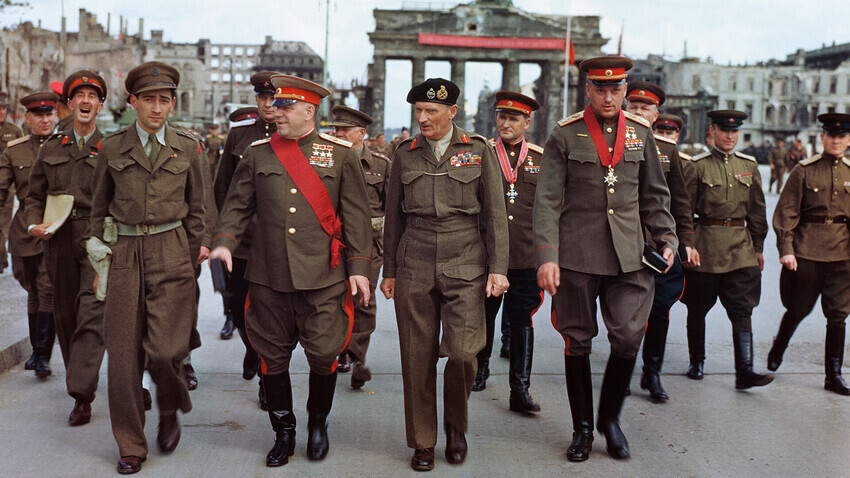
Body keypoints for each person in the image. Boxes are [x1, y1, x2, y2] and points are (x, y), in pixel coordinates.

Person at [210, 74, 372, 468]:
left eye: (285, 107)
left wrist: (359, 268)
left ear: (308, 111)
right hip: (269, 277)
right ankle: (283, 432)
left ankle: (318, 424)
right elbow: (237, 206)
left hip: (323, 277)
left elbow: (356, 217)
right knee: (272, 358)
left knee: (324, 355)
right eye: (275, 105)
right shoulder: (258, 153)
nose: (276, 112)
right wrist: (224, 242)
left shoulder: (340, 154)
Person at [534, 57, 677, 461]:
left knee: (630, 336)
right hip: (577, 256)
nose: (609, 96)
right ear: (589, 91)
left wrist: (666, 237)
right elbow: (546, 202)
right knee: (577, 340)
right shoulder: (565, 135)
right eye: (601, 89)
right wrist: (547, 256)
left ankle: (609, 419)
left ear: (625, 90)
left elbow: (654, 195)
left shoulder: (640, 133)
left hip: (629, 257)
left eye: (616, 89)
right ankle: (582, 429)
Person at [380, 78, 508, 471]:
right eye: (418, 111)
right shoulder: (404, 153)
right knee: (416, 356)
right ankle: (423, 441)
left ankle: (456, 425)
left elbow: (494, 215)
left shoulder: (478, 150)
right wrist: (390, 271)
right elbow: (394, 217)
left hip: (465, 257)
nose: (423, 119)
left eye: (431, 111)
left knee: (464, 352)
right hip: (414, 257)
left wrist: (498, 268)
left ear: (452, 112)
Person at [88, 61, 206, 474]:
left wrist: (190, 262)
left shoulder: (189, 148)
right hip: (124, 251)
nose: (158, 108)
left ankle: (169, 405)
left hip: (172, 249)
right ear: (133, 101)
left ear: (173, 104)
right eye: (150, 100)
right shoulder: (113, 148)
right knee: (122, 357)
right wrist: (100, 254)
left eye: (165, 100)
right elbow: (97, 207)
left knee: (165, 349)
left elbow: (198, 213)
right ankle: (131, 445)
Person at [24, 71, 107, 426]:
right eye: (80, 96)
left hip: (96, 240)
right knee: (66, 316)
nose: (86, 102)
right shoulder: (51, 148)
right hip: (57, 239)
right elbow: (34, 196)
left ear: (100, 105)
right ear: (69, 104)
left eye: (93, 96)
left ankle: (80, 392)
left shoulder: (113, 148)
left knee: (92, 312)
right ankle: (83, 387)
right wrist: (33, 224)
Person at [681, 109, 773, 390]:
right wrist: (688, 244)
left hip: (740, 247)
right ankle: (697, 361)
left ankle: (744, 370)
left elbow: (757, 209)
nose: (730, 136)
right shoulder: (697, 166)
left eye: (734, 131)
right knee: (698, 307)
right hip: (706, 245)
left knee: (742, 308)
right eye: (724, 130)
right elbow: (683, 210)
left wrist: (758, 247)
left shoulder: (749, 165)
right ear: (713, 131)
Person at [471, 90, 544, 416]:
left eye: (513, 118)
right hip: (488, 255)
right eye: (501, 116)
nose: (505, 123)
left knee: (521, 321)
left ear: (527, 122)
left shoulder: (541, 159)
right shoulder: (482, 153)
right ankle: (480, 370)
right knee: (484, 315)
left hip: (527, 256)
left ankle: (520, 388)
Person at [768, 113, 850, 396]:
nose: (836, 141)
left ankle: (834, 375)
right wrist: (786, 249)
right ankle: (779, 346)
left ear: (848, 140)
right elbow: (786, 212)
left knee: (838, 314)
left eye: (842, 137)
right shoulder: (804, 170)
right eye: (832, 136)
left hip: (842, 255)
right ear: (823, 138)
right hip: (807, 251)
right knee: (799, 308)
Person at [625, 82, 697, 402]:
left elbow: (679, 202)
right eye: (634, 107)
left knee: (659, 310)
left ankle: (651, 372)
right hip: (623, 242)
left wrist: (686, 241)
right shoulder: (613, 145)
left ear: (656, 115)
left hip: (657, 246)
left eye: (645, 109)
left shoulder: (667, 151)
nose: (639, 113)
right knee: (625, 313)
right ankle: (622, 370)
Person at [213, 72, 280, 410]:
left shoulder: (292, 137)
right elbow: (222, 188)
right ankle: (251, 350)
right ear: (256, 100)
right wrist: (221, 236)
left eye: (275, 97)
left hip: (278, 245)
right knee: (240, 313)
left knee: (269, 317)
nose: (270, 104)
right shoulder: (239, 135)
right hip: (242, 244)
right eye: (263, 98)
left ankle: (269, 381)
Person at [329, 105, 390, 388]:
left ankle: (358, 357)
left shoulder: (380, 165)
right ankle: (339, 349)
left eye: (345, 130)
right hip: (331, 243)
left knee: (363, 298)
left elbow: (392, 209)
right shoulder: (325, 159)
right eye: (336, 129)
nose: (338, 133)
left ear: (361, 134)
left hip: (369, 244)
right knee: (333, 298)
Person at [0, 92, 58, 378]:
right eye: (39, 115)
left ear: (56, 115)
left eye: (49, 114)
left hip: (55, 229)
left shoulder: (65, 147)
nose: (45, 120)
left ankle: (43, 355)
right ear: (28, 118)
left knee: (47, 288)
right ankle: (37, 352)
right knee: (33, 290)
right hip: (24, 232)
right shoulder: (15, 150)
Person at [0, 91, 23, 274]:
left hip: (7, 186)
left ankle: (0, 258)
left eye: (4, 108)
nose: (1, 112)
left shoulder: (14, 131)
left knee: (3, 222)